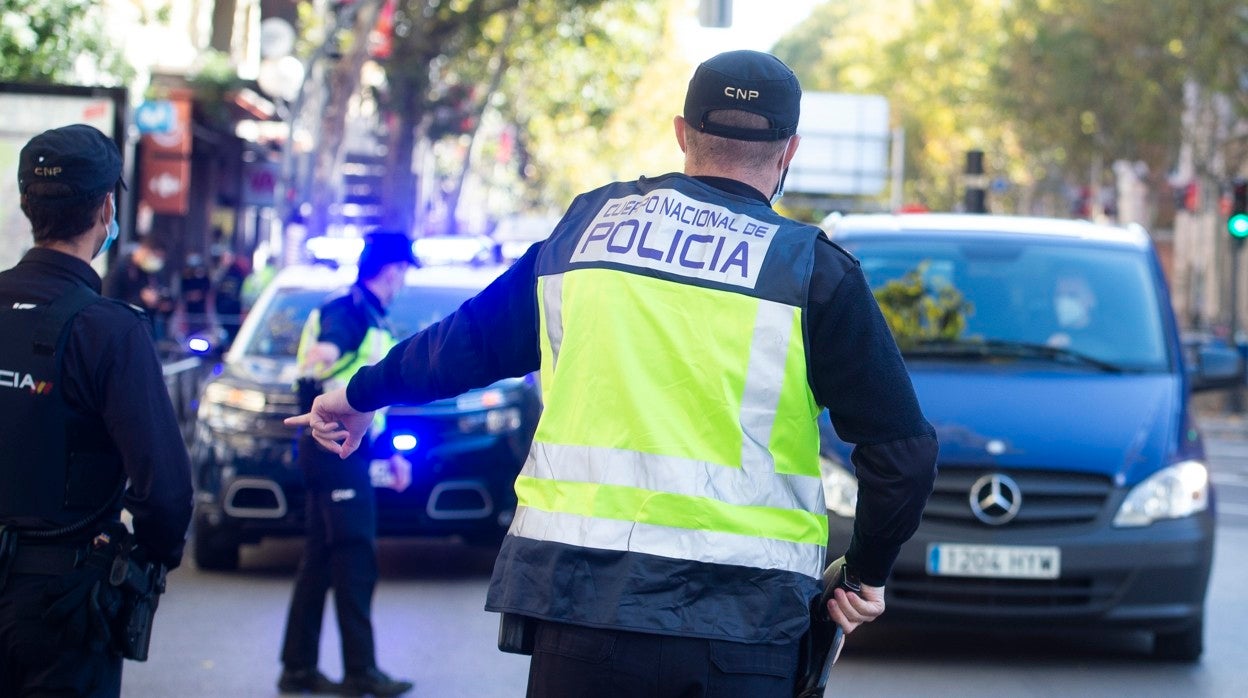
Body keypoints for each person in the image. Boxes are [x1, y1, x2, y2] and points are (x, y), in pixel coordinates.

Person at [290, 50, 938, 697]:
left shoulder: (585, 233)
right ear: (789, 149)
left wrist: (357, 394)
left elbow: (466, 342)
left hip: (580, 607)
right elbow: (903, 455)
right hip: (741, 626)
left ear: (682, 132)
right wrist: (863, 574)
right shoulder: (812, 272)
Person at [0, 124, 194, 696]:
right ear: (106, 208)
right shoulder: (109, 330)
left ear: (25, 203)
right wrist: (150, 560)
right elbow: (165, 489)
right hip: (63, 602)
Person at [277, 231, 415, 697]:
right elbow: (329, 352)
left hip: (341, 451)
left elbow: (371, 401)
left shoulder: (371, 314)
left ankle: (297, 668)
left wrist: (390, 453)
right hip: (333, 452)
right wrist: (324, 355)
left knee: (319, 557)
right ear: (393, 270)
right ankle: (361, 672)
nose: (403, 281)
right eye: (403, 272)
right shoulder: (349, 311)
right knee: (355, 555)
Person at [102, 235, 174, 342]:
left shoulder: (153, 273)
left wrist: (163, 304)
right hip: (123, 333)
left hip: (146, 332)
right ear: (144, 250)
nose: (157, 261)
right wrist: (141, 300)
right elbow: (109, 302)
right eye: (155, 257)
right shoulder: (120, 270)